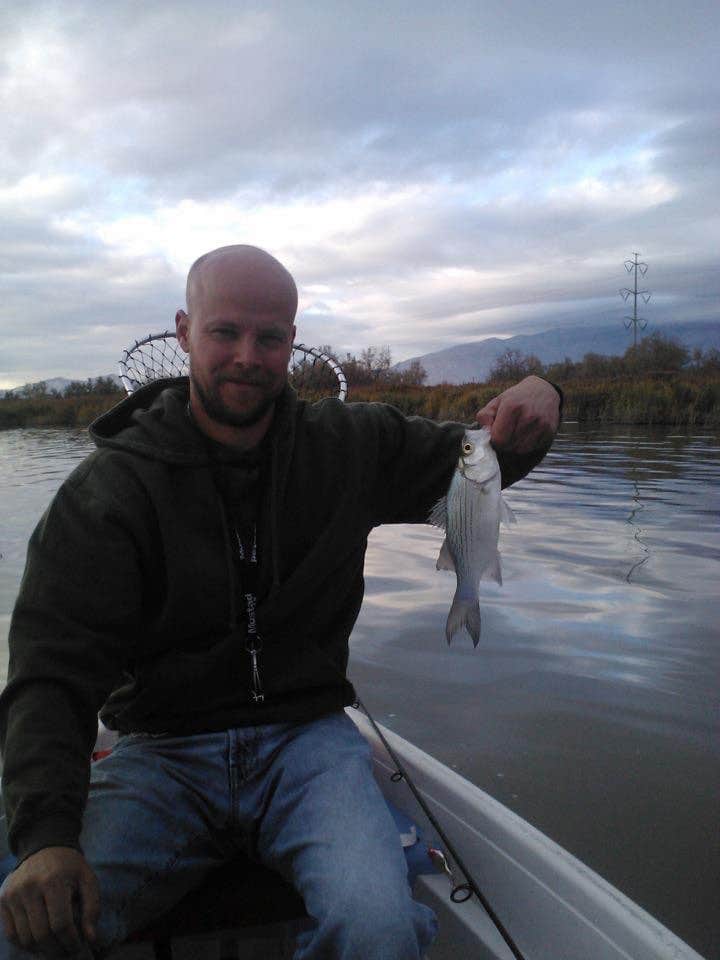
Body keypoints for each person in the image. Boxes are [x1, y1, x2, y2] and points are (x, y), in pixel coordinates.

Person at [0, 245, 561, 959]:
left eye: (270, 338)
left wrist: (544, 393)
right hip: (163, 754)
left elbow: (480, 462)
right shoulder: (109, 493)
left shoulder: (353, 445)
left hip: (309, 744)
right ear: (184, 330)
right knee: (34, 930)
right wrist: (47, 837)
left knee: (378, 928)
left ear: (292, 343)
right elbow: (51, 672)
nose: (247, 355)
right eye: (224, 332)